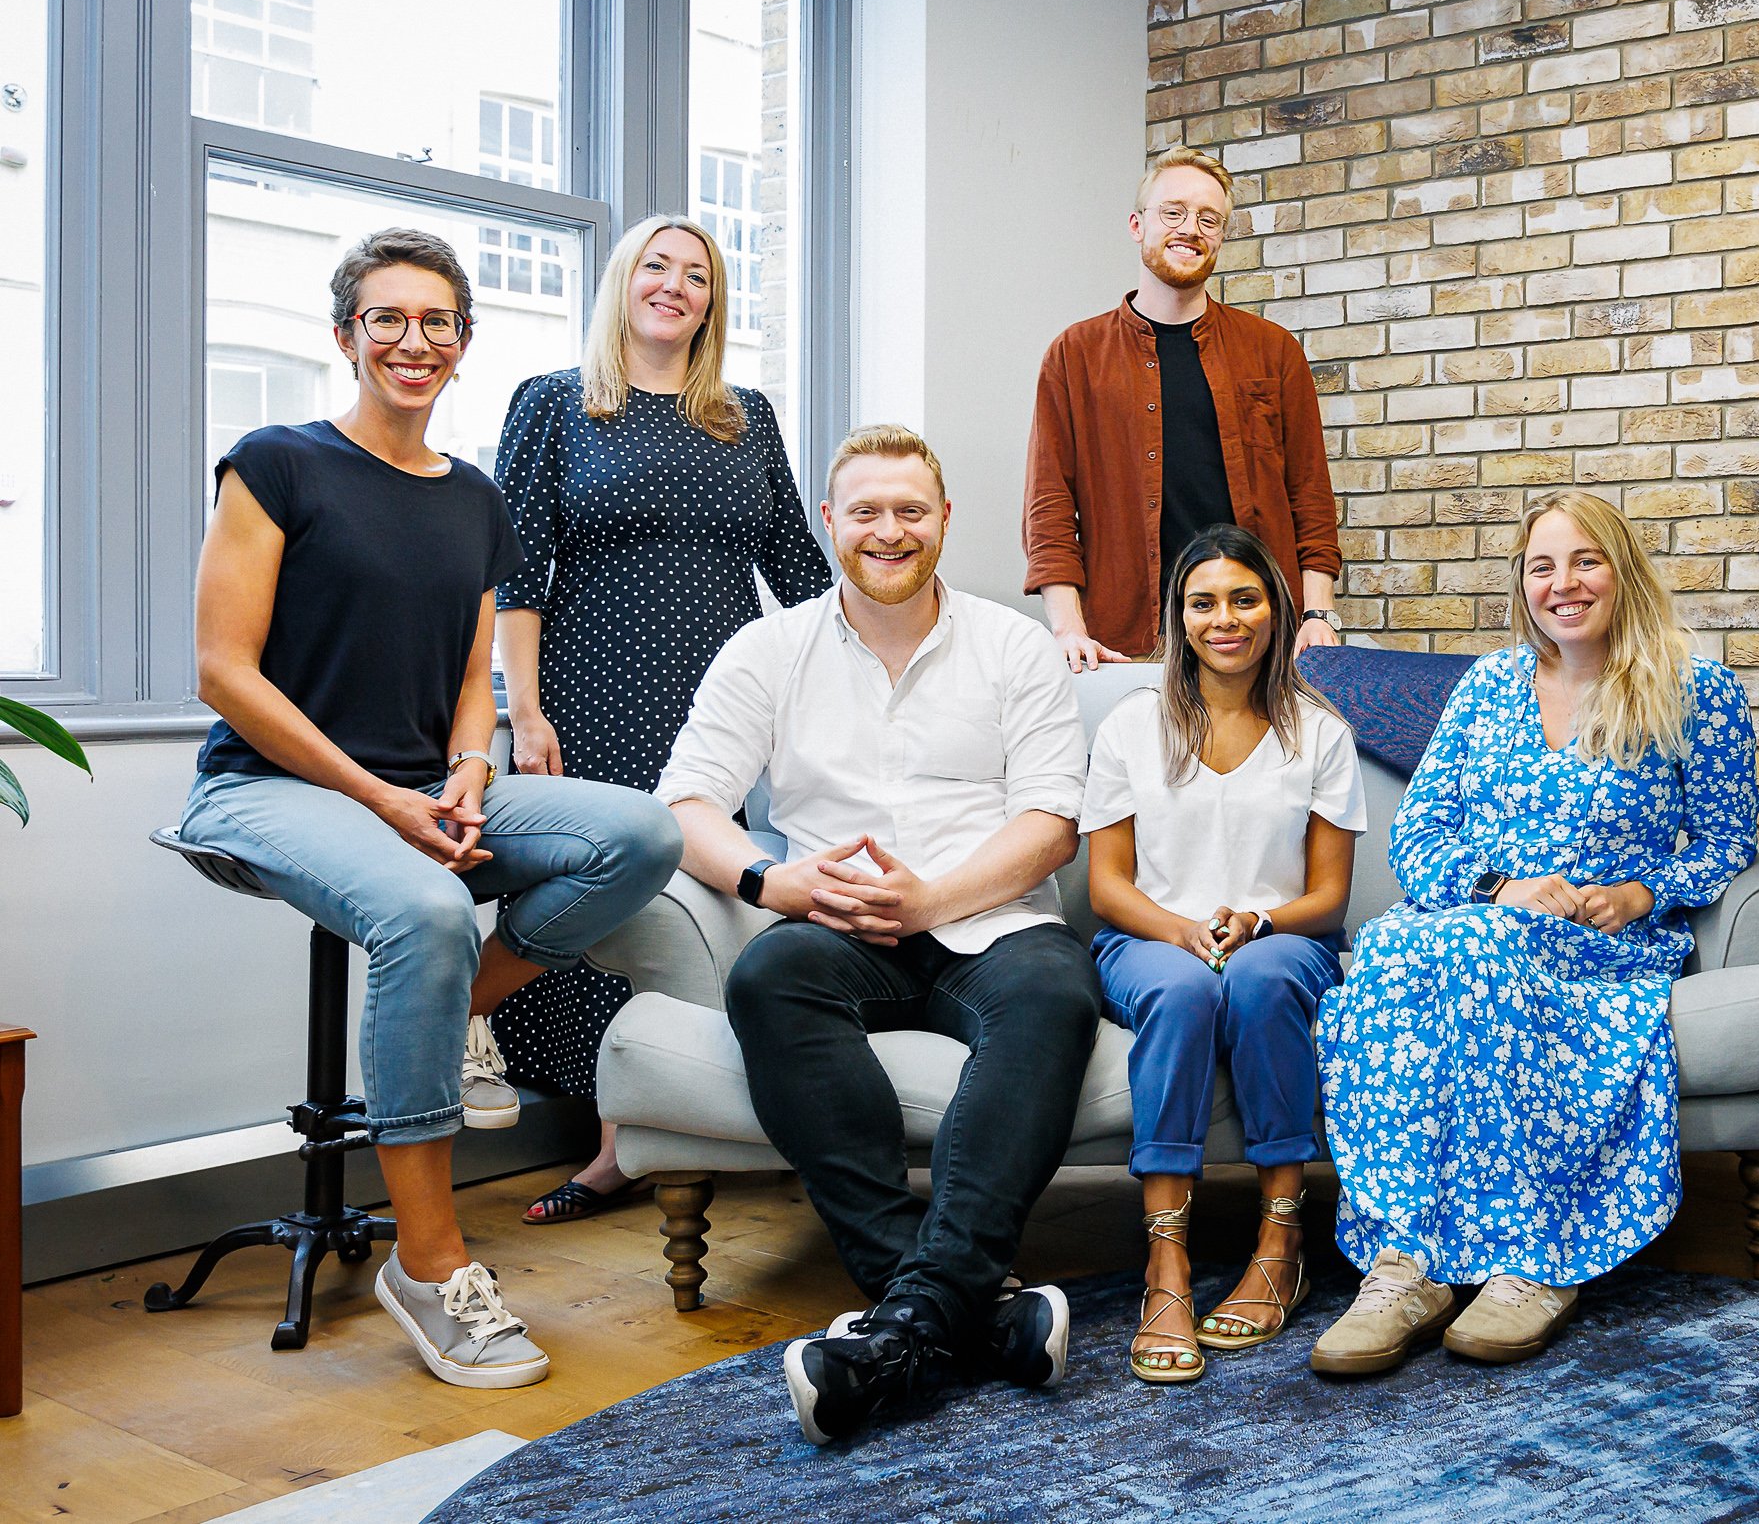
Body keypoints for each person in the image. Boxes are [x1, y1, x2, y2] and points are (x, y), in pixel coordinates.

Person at [181, 229, 682, 1390]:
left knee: (640, 834)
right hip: (269, 788)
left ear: (463, 342)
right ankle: (431, 1259)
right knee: (426, 906)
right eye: (388, 318)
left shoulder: (473, 498)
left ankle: (462, 1008)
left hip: (419, 789)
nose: (415, 340)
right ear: (346, 333)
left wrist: (466, 768)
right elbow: (225, 672)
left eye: (438, 321)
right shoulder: (277, 462)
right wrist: (387, 804)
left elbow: (472, 675)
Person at [653, 424, 1100, 1442]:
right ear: (828, 524)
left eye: (910, 509)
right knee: (769, 978)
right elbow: (685, 801)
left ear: (945, 520)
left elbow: (1047, 823)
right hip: (838, 921)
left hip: (988, 916)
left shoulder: (1013, 646)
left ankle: (903, 1323)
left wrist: (932, 899)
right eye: (865, 510)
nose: (888, 530)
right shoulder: (768, 650)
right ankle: (958, 1307)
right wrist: (772, 880)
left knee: (1056, 993)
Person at [1308, 490, 1759, 1375]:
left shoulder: (1695, 689)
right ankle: (1407, 1265)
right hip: (1478, 922)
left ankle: (1531, 1261)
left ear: (1621, 570)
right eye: (1542, 565)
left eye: (1585, 560)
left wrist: (1640, 890)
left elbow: (1726, 836)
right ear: (1523, 583)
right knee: (1402, 949)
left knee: (1470, 951)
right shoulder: (1489, 685)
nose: (1564, 584)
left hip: (1596, 945)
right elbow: (1419, 833)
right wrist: (1499, 887)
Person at [488, 214, 831, 1227]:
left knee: (709, 901)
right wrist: (525, 708)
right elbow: (515, 569)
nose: (675, 287)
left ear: (712, 300)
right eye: (657, 267)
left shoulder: (744, 415)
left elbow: (802, 571)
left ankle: (701, 1114)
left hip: (725, 699)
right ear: (623, 283)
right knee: (613, 905)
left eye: (697, 275)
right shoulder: (554, 404)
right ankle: (615, 1144)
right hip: (591, 689)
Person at [1081, 525, 1366, 1384]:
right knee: (1183, 991)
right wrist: (1179, 929)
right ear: (1179, 616)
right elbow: (1108, 884)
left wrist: (1261, 921)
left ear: (1275, 611)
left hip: (1284, 942)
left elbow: (1328, 898)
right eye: (1203, 601)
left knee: (1258, 976)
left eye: (1244, 598)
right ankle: (1165, 1268)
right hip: (1149, 940)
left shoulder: (1320, 732)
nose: (1225, 618)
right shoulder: (1133, 725)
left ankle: (1281, 1241)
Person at [1023, 145, 1344, 671]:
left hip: (1259, 638)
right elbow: (1050, 506)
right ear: (1137, 225)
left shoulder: (1273, 350)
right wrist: (1069, 628)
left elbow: (1309, 494)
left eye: (1208, 218)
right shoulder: (1074, 356)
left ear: (1221, 235)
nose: (1189, 228)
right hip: (1126, 643)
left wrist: (1318, 613)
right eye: (1172, 212)